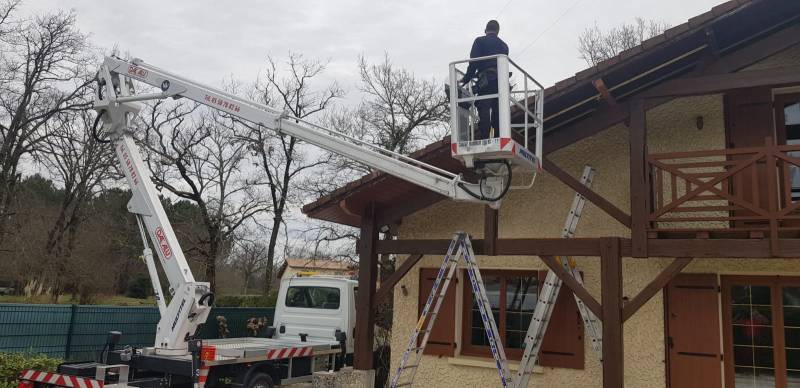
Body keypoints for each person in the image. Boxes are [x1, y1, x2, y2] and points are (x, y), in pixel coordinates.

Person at [462, 20, 509, 140]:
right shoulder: (504, 46)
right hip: (501, 83)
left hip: (487, 80)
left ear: (485, 30)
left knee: (484, 107)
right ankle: (498, 137)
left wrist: (466, 78)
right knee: (498, 109)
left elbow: (474, 62)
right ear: (497, 31)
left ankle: (484, 137)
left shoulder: (480, 41)